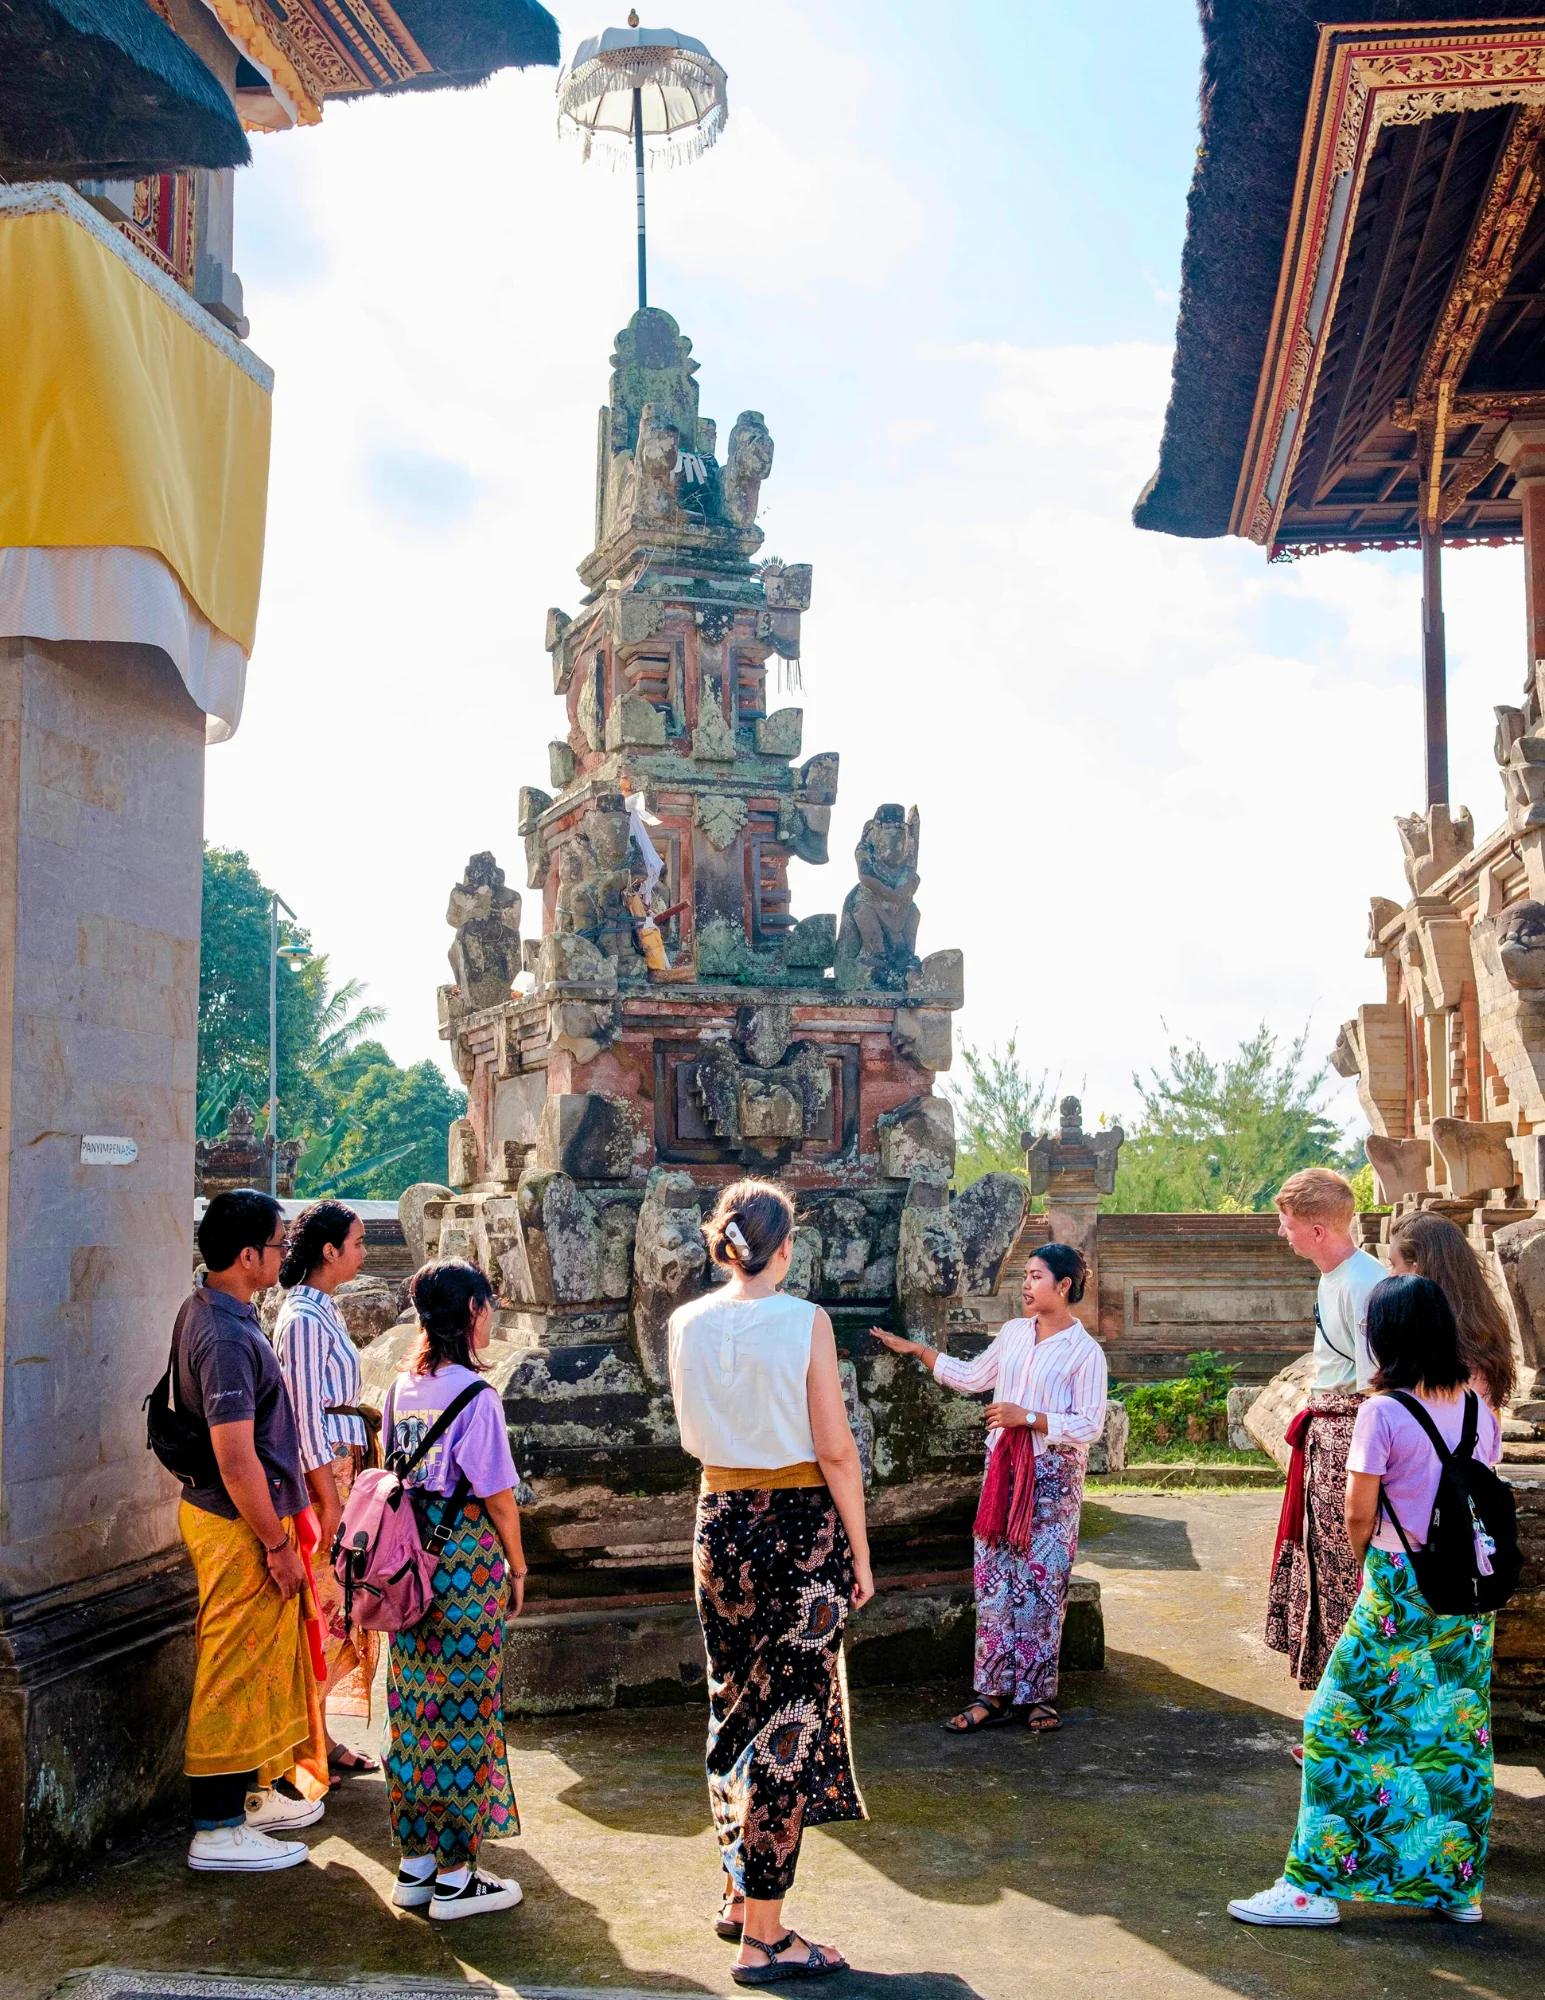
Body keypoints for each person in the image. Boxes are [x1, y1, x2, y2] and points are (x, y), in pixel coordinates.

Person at [1230, 1273, 1500, 1927]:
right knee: (1449, 1732)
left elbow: (1356, 1512)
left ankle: (1310, 1887)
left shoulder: (1381, 1411)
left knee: (1331, 1725)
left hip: (1401, 1584)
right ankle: (1455, 1884)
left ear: (1385, 1335)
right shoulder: (1477, 1410)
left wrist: (1372, 1573)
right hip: (1468, 1588)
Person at [668, 1179, 872, 1987]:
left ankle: (735, 1887)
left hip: (717, 1519)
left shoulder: (685, 1320)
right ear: (784, 1246)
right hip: (798, 1527)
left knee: (734, 1706)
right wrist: (858, 1549)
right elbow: (835, 1449)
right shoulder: (804, 1321)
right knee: (789, 1721)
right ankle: (765, 1936)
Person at [871, 1242, 1107, 1735]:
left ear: (1063, 1286)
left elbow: (1089, 1425)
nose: (1026, 1284)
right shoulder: (1015, 1333)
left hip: (1052, 1479)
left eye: (1037, 1276)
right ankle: (993, 1693)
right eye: (1025, 1274)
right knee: (996, 1580)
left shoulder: (1086, 1352)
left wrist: (1030, 1418)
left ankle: (1037, 1696)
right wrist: (919, 1351)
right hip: (1004, 1474)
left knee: (1042, 1584)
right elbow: (974, 1375)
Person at [176, 1189, 328, 1873]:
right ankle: (214, 1824)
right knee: (233, 1666)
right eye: (276, 1245)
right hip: (240, 1519)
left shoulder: (214, 1309)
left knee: (262, 1661)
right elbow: (236, 1459)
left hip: (243, 1515)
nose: (281, 1256)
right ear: (246, 1257)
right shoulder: (225, 1335)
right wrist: (275, 1544)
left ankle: (250, 1796)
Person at [383, 1258, 527, 1922]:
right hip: (465, 1561)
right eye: (488, 1303)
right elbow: (498, 1497)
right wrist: (519, 1568)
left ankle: (415, 1865)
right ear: (472, 1311)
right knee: (466, 1714)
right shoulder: (477, 1396)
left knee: (414, 1710)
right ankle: (457, 1875)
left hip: (407, 1563)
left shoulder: (397, 1392)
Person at [1265, 1167, 1386, 1689]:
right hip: (1329, 1430)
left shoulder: (1366, 1283)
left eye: (1287, 1223)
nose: (1281, 1232)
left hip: (1353, 1431)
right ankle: (1336, 1711)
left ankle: (1351, 1715)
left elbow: (1375, 1385)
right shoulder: (1334, 1275)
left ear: (1318, 1230)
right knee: (1323, 1564)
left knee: (1345, 1571)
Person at [274, 1199, 380, 1773]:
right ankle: (307, 1747)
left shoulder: (323, 1311)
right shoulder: (303, 1319)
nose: (363, 1252)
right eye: (357, 1243)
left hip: (345, 1468)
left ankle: (321, 1739)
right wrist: (331, 1500)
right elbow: (303, 1417)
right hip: (326, 1476)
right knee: (327, 1606)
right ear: (329, 1251)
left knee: (344, 1608)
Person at [1388, 1210, 1518, 1411]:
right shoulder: (1483, 1326)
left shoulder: (1430, 1340)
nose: (1391, 1274)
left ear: (1416, 1267)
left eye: (1394, 1264)